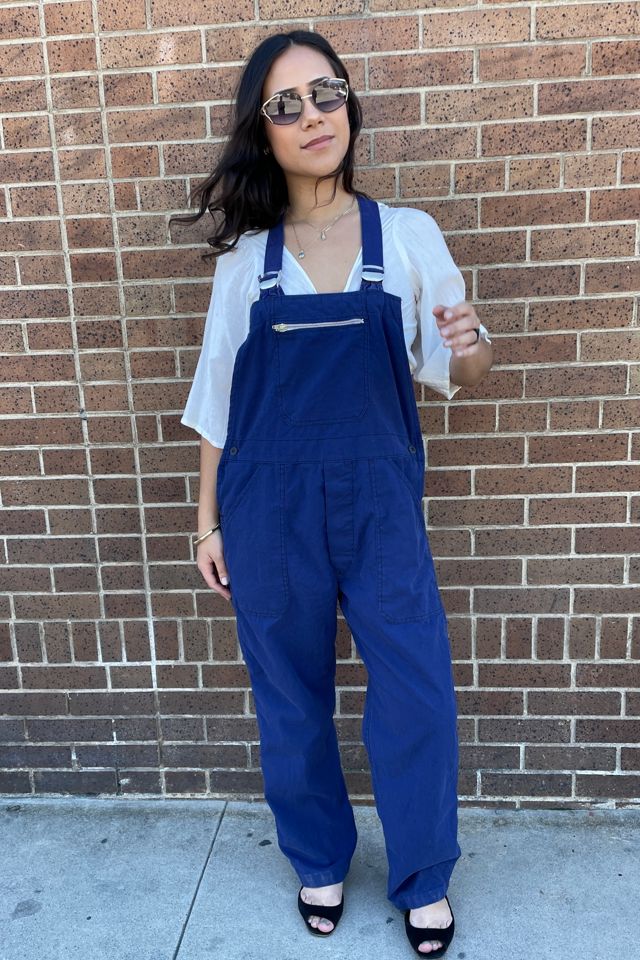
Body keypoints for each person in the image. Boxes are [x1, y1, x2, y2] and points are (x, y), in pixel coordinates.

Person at [174, 29, 493, 957]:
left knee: (417, 690)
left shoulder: (408, 237)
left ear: (349, 105)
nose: (313, 115)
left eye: (327, 93)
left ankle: (423, 874)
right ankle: (318, 857)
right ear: (263, 130)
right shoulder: (247, 262)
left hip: (380, 504)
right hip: (266, 507)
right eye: (286, 104)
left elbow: (459, 370)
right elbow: (218, 402)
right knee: (289, 695)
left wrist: (473, 342)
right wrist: (207, 523)